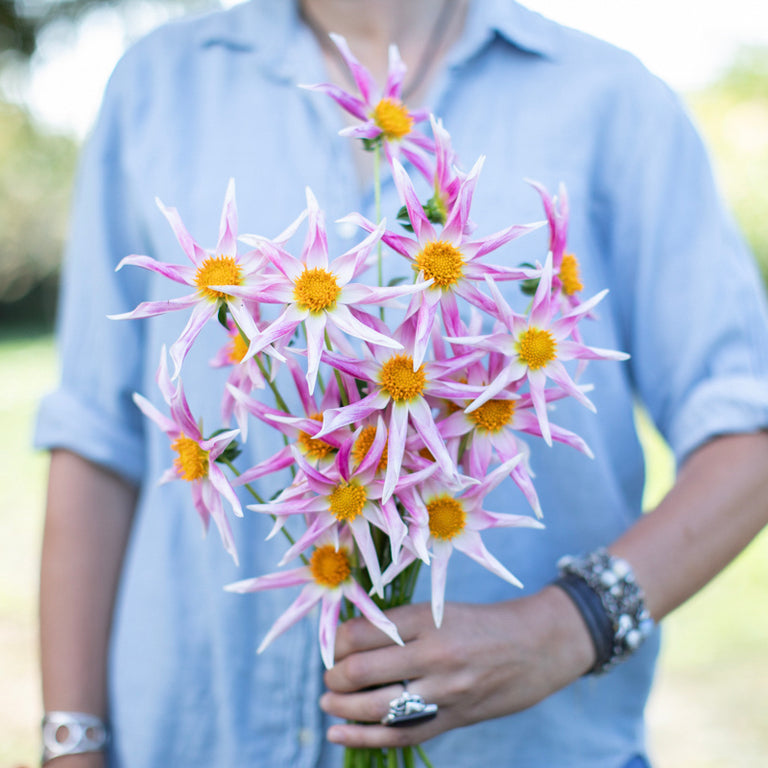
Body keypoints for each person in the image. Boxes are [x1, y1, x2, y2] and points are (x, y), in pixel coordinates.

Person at [35, 0, 768, 766]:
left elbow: (746, 432)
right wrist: (71, 741)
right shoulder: (158, 84)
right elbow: (96, 441)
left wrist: (568, 625)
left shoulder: (615, 100)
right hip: (188, 741)